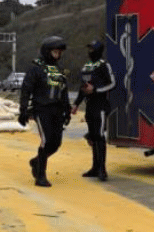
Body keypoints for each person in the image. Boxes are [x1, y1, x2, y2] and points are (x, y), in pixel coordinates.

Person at [18, 36, 71, 187]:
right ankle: (40, 176)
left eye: (59, 52)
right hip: (41, 109)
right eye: (55, 52)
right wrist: (23, 111)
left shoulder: (59, 70)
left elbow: (64, 91)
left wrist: (67, 110)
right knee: (46, 141)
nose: (58, 55)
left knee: (56, 144)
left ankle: (36, 162)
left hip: (57, 110)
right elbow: (26, 90)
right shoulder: (36, 68)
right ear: (47, 51)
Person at [72, 40, 115, 182]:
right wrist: (76, 103)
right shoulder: (86, 66)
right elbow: (83, 87)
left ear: (98, 49)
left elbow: (112, 84)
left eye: (92, 48)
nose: (90, 51)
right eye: (88, 48)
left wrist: (95, 90)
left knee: (99, 135)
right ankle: (95, 167)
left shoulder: (104, 65)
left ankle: (102, 169)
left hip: (101, 105)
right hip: (89, 106)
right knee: (92, 136)